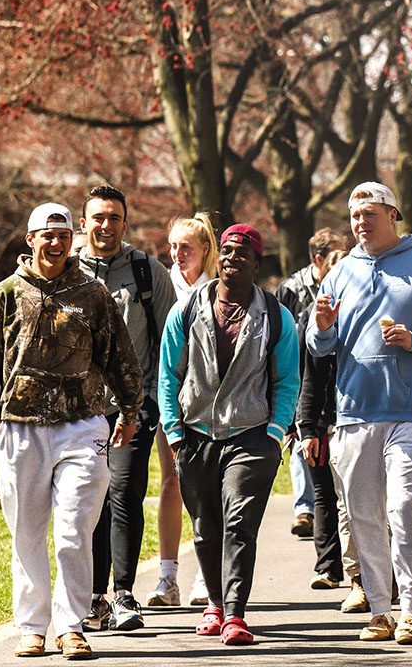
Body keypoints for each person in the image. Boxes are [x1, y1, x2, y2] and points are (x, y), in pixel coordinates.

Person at [0, 202, 144, 660]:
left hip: (83, 426)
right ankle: (31, 627)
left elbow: (120, 356)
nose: (56, 242)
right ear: (31, 240)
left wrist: (129, 410)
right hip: (19, 429)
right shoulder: (4, 294)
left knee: (73, 531)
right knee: (27, 533)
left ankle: (71, 626)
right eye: (47, 235)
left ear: (73, 240)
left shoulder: (93, 293)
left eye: (63, 235)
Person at [307, 181, 412, 645]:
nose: (360, 224)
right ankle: (380, 610)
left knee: (404, 506)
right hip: (356, 410)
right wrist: (320, 327)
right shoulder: (338, 273)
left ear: (392, 215)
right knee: (364, 515)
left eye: (369, 215)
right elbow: (320, 346)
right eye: (355, 217)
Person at [158, 223, 301, 645]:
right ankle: (215, 605)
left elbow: (288, 379)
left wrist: (275, 433)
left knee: (239, 524)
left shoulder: (276, 316)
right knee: (206, 527)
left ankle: (236, 615)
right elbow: (169, 375)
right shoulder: (186, 311)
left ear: (257, 263)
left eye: (243, 253)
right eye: (227, 251)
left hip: (252, 435)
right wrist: (173, 430)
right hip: (195, 434)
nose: (232, 258)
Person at [76, 185, 176, 633]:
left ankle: (123, 594)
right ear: (84, 223)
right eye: (98, 217)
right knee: (87, 500)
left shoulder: (146, 271)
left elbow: (171, 343)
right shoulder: (67, 270)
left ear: (125, 222)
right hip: (76, 413)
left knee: (124, 495)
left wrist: (152, 400)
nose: (105, 225)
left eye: (114, 217)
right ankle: (93, 596)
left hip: (131, 407)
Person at [146, 212, 220, 608]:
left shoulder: (221, 289)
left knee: (205, 491)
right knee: (171, 483)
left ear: (205, 250)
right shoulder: (162, 285)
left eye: (185, 247)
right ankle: (167, 578)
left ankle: (207, 579)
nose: (176, 254)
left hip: (210, 405)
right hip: (169, 399)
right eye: (172, 246)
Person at [276, 228, 348, 540]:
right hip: (299, 371)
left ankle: (319, 511)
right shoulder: (291, 290)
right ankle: (304, 510)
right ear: (319, 259)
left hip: (332, 379)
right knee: (302, 440)